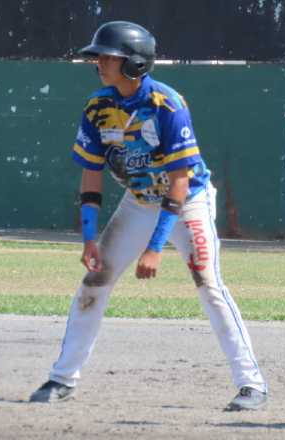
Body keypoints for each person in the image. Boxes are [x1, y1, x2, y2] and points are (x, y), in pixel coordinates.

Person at [28, 21, 268, 411]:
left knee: (208, 285)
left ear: (136, 64)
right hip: (139, 200)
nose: (99, 62)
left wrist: (156, 248)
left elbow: (178, 181)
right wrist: (90, 238)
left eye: (109, 56)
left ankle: (251, 385)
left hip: (186, 200)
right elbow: (91, 176)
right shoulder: (98, 108)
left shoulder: (167, 105)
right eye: (99, 55)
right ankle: (62, 378)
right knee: (94, 282)